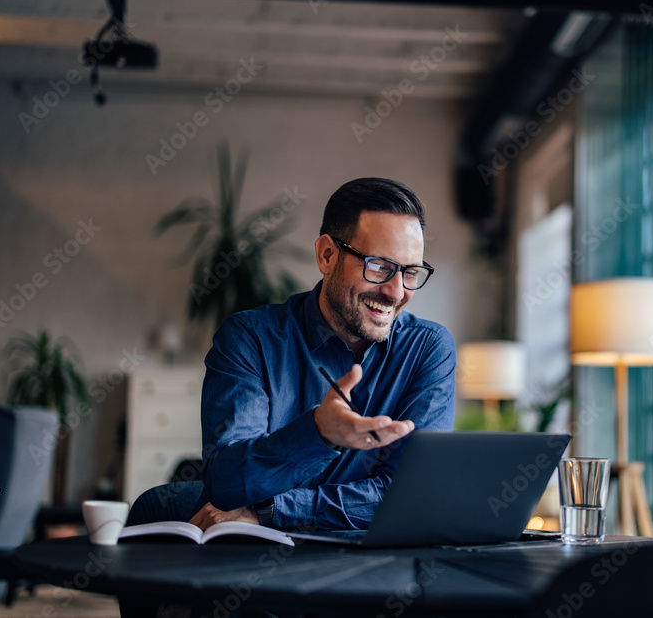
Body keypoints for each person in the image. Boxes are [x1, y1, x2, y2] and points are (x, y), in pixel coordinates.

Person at [187, 177, 456, 531]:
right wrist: (318, 434)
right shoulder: (250, 338)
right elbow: (227, 485)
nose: (396, 291)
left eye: (410, 272)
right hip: (255, 567)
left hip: (373, 572)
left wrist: (270, 511)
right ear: (327, 255)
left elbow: (414, 497)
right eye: (379, 267)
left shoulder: (427, 349)